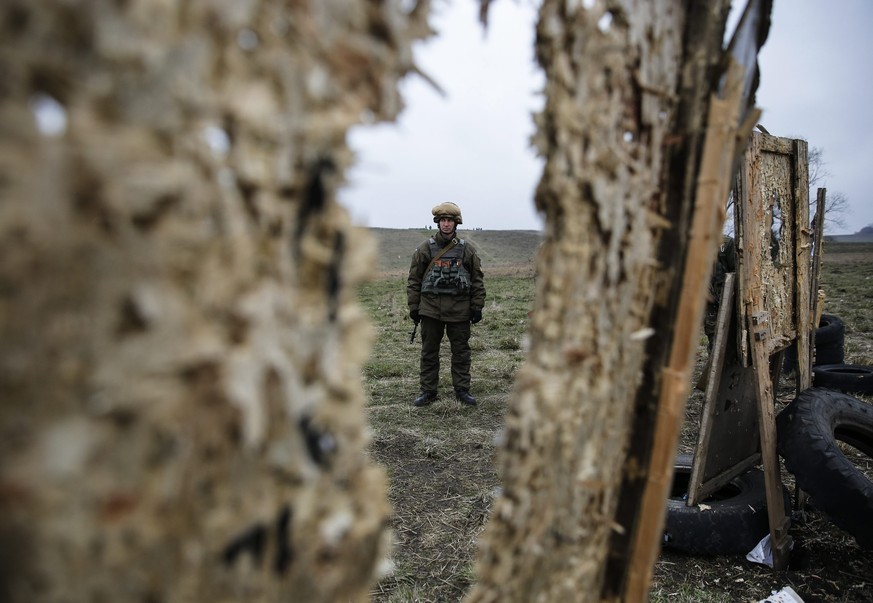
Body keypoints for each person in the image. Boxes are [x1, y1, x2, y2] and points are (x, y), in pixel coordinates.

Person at [407, 202, 486, 407]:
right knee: (429, 352)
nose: (446, 224)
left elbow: (477, 279)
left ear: (456, 223)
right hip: (431, 309)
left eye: (449, 220)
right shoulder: (425, 248)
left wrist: (477, 305)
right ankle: (428, 391)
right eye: (442, 220)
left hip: (459, 310)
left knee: (461, 352)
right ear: (437, 223)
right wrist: (414, 307)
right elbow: (414, 280)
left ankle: (462, 390)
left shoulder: (466, 250)